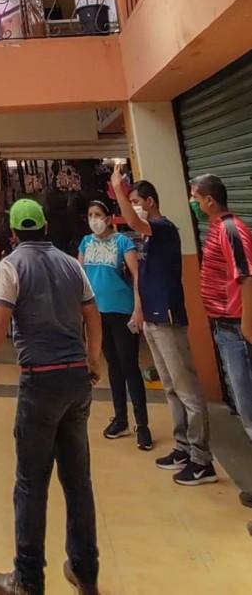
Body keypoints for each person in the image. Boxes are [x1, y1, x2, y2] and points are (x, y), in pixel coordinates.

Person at [0, 198, 101, 595]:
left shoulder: (11, 265)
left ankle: (27, 579)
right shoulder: (72, 265)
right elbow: (92, 314)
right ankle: (85, 571)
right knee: (78, 481)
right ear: (44, 228)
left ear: (12, 233)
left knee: (30, 482)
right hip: (76, 380)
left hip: (40, 381)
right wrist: (93, 359)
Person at [111, 169, 216, 485]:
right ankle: (183, 448)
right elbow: (141, 276)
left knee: (187, 390)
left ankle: (202, 460)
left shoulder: (163, 228)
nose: (133, 206)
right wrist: (139, 310)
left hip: (168, 317)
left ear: (150, 202)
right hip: (152, 319)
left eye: (136, 201)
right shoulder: (144, 237)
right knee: (170, 388)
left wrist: (118, 188)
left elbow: (132, 221)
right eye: (131, 201)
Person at [79, 199, 152, 449]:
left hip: (123, 313)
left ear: (109, 218)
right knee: (112, 366)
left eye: (98, 214)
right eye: (90, 215)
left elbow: (137, 277)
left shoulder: (123, 243)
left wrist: (138, 308)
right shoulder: (85, 243)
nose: (94, 219)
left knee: (129, 365)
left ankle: (143, 425)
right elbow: (80, 276)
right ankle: (120, 418)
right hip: (97, 314)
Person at [191, 174, 252, 445]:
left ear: (209, 200)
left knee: (247, 398)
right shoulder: (217, 228)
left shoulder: (231, 230)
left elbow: (247, 276)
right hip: (225, 326)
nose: (193, 203)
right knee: (242, 398)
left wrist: (247, 326)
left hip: (238, 327)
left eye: (195, 198)